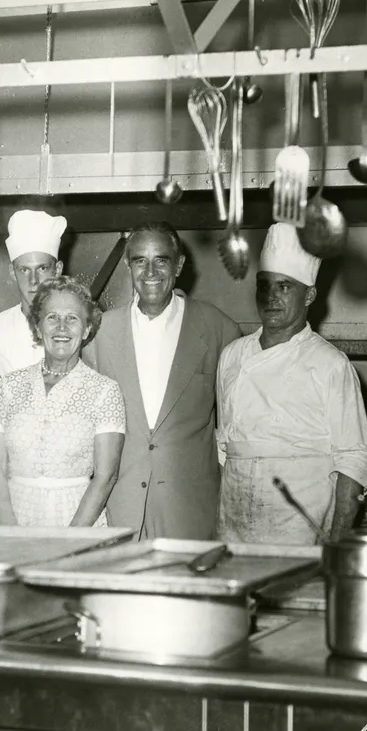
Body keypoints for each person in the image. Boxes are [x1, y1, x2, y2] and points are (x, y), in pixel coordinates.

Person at [216, 222, 367, 544]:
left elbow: (354, 461)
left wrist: (337, 542)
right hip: (234, 519)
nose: (271, 297)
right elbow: (224, 449)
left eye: (285, 286)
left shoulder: (330, 364)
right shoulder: (231, 357)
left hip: (300, 522)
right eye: (265, 285)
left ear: (310, 295)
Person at [85, 221, 241, 539]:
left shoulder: (219, 329)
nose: (150, 271)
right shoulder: (99, 333)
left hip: (191, 510)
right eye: (140, 260)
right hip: (120, 507)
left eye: (161, 259)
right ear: (128, 266)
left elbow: (234, 429)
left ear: (179, 264)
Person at [0, 277, 125, 528]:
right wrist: (11, 532)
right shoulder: (10, 385)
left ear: (86, 329)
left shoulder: (105, 391)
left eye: (72, 318)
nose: (61, 327)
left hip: (77, 520)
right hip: (14, 517)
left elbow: (105, 477)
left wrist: (68, 540)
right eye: (52, 317)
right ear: (38, 328)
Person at [0, 209, 67, 376]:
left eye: (42, 268)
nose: (34, 280)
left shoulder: (76, 326)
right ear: (12, 272)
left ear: (57, 270)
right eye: (24, 270)